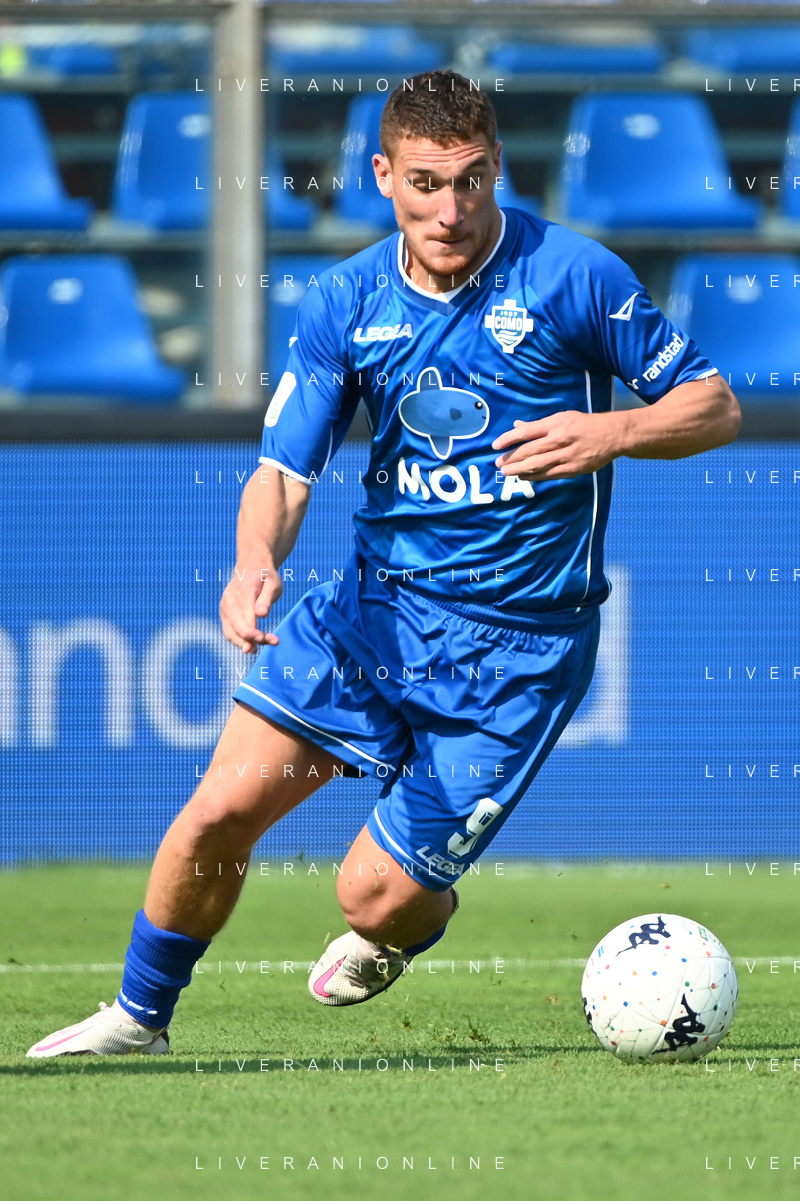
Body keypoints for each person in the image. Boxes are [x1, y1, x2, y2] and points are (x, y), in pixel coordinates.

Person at [28, 70, 740, 1057]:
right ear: (381, 175)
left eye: (470, 180)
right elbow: (284, 473)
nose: (450, 209)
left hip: (516, 654)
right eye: (425, 183)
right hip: (371, 618)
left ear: (498, 168)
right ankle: (137, 1017)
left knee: (370, 896)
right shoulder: (345, 300)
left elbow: (713, 403)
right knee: (216, 811)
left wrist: (609, 431)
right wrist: (252, 560)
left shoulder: (573, 275)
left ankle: (402, 926)